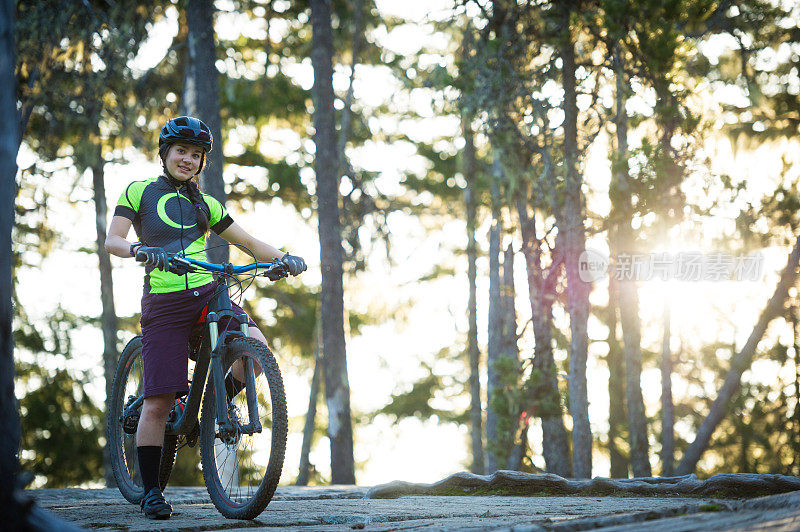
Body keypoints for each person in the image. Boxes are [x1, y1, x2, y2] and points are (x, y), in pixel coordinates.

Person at [104, 116, 306, 520]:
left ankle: (210, 409)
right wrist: (140, 251)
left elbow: (247, 242)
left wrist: (283, 258)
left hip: (208, 293)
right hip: (165, 301)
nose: (188, 160)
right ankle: (150, 493)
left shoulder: (206, 203)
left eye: (196, 155)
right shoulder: (140, 191)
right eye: (181, 151)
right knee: (159, 402)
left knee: (255, 349)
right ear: (165, 154)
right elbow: (113, 240)